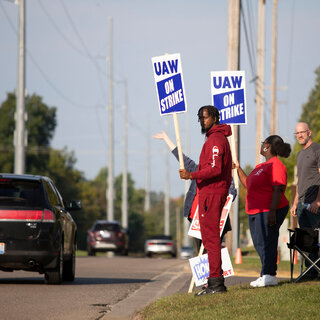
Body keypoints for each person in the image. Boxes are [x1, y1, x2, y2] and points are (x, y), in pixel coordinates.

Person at [152, 131, 237, 252]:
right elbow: (180, 157)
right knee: (201, 252)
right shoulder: (196, 169)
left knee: (212, 250)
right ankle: (207, 270)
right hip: (197, 219)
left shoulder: (222, 173)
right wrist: (166, 138)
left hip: (215, 219)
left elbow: (231, 193)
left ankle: (215, 271)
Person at [179, 105, 232, 295]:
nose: (202, 121)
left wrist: (191, 175)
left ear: (215, 118)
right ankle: (214, 281)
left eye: (205, 117)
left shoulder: (216, 140)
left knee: (211, 240)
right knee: (210, 240)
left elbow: (216, 169)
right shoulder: (213, 138)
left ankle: (216, 284)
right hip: (210, 193)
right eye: (200, 118)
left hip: (212, 193)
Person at [233, 135, 291, 287]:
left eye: (262, 143)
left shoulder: (276, 165)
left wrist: (272, 212)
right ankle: (265, 273)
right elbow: (247, 183)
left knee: (267, 241)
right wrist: (238, 168)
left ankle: (269, 274)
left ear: (268, 146)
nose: (261, 146)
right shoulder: (260, 167)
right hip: (254, 211)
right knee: (259, 243)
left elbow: (278, 189)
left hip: (270, 209)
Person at [290, 122, 320, 278]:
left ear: (309, 132)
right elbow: (300, 181)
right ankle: (310, 272)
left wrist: (318, 201)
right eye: (297, 133)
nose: (300, 135)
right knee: (307, 241)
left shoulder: (317, 150)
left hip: (314, 204)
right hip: (301, 205)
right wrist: (295, 203)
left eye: (302, 132)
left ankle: (317, 271)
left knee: (317, 238)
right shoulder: (300, 154)